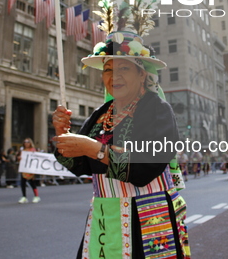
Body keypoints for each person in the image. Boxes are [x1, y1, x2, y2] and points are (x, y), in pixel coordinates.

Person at [53, 28, 190, 258]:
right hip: (105, 215)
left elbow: (144, 168)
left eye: (124, 68)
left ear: (142, 74)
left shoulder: (157, 109)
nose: (113, 76)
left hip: (148, 216)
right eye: (108, 69)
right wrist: (62, 133)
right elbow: (79, 165)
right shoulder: (100, 114)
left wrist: (93, 148)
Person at [17, 138, 40, 203]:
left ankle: (36, 196)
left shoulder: (33, 150)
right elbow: (20, 159)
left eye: (28, 142)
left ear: (30, 143)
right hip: (24, 169)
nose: (26, 143)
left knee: (32, 183)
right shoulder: (22, 150)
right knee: (23, 183)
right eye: (25, 142)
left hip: (30, 169)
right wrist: (19, 158)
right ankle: (24, 196)